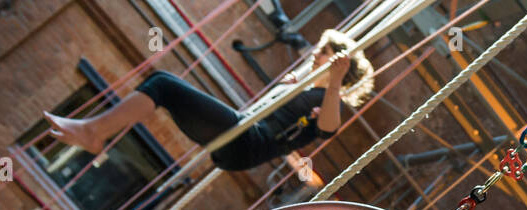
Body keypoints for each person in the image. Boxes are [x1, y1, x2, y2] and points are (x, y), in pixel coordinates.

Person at [44, 29, 374, 171]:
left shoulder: (328, 98)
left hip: (246, 143)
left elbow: (329, 130)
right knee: (162, 87)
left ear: (339, 68)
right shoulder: (303, 88)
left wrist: (333, 86)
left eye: (325, 52)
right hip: (237, 141)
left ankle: (94, 132)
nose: (316, 52)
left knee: (164, 85)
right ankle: (95, 131)